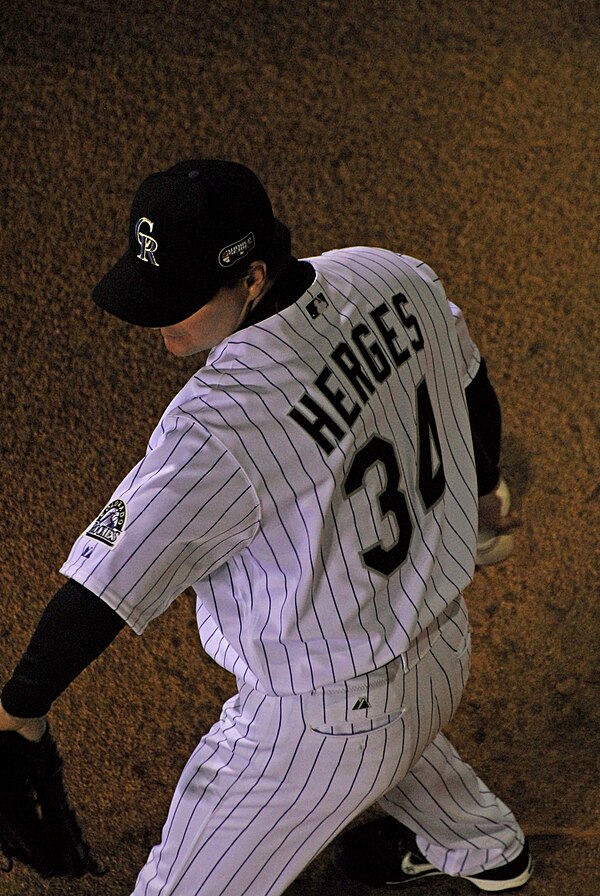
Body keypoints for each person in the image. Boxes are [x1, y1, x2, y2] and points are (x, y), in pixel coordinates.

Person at [0, 159, 531, 894]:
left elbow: (100, 593)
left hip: (323, 721)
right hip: (442, 645)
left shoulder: (217, 426)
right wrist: (475, 495)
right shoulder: (389, 275)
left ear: (251, 277)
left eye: (181, 302)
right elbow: (472, 385)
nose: (161, 325)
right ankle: (484, 845)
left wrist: (16, 708)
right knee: (396, 727)